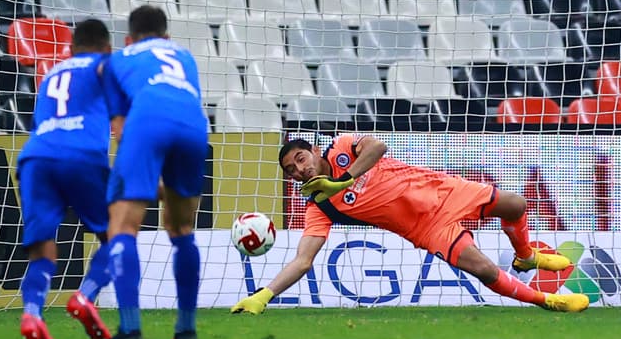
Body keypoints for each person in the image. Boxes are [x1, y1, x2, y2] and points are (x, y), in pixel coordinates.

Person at [231, 134, 590, 315]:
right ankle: (547, 301)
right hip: (426, 229)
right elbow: (303, 261)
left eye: (300, 159)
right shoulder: (319, 208)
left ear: (312, 151)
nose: (299, 169)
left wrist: (345, 179)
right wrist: (264, 295)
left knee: (516, 204)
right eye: (292, 170)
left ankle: (525, 256)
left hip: (440, 189)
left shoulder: (343, 146)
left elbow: (378, 147)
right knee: (482, 269)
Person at [89, 5, 210, 339]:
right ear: (167, 37)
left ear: (129, 38)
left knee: (123, 228)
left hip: (146, 122)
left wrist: (135, 181)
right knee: (182, 231)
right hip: (194, 127)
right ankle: (185, 332)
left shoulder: (118, 59)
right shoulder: (184, 56)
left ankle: (129, 332)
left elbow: (123, 128)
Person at [15, 19, 119, 339]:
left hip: (35, 157)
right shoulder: (105, 65)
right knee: (117, 236)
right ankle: (85, 297)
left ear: (71, 49)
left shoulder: (51, 75)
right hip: (82, 155)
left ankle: (32, 314)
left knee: (42, 248)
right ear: (107, 48)